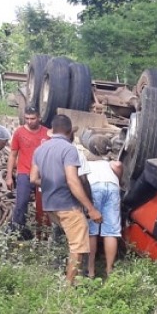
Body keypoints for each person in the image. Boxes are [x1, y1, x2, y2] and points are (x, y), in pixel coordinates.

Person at [30, 115, 102, 285]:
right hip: (67, 205)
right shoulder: (69, 149)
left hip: (50, 205)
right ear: (70, 132)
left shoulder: (40, 150)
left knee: (70, 242)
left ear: (52, 130)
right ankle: (68, 289)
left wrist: (53, 183)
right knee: (78, 247)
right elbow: (73, 180)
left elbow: (33, 178)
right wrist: (91, 208)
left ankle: (69, 278)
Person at [6, 107, 50, 236]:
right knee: (21, 202)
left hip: (42, 174)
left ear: (39, 118)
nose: (29, 121)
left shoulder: (47, 134)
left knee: (44, 204)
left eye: (32, 118)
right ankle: (18, 231)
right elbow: (13, 155)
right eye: (27, 119)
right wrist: (9, 175)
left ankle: (44, 233)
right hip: (24, 172)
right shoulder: (19, 132)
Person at [86, 158, 123, 279]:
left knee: (91, 231)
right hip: (112, 186)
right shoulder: (107, 163)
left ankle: (90, 270)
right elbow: (118, 165)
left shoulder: (86, 162)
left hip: (94, 186)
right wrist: (119, 180)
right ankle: (109, 270)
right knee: (111, 231)